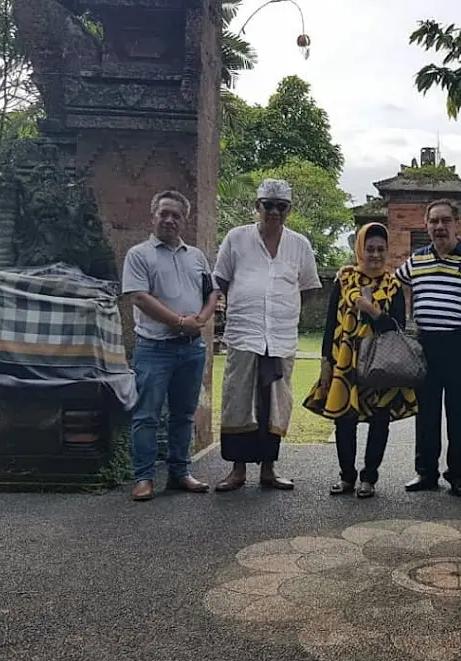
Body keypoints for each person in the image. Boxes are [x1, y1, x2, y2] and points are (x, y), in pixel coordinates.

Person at [212, 179, 322, 492]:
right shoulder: (237, 238)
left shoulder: (299, 244)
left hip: (281, 337)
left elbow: (311, 287)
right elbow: (219, 279)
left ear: (289, 210)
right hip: (244, 333)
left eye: (280, 206)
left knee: (274, 402)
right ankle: (237, 470)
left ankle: (269, 470)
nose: (273, 211)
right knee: (239, 400)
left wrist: (285, 307)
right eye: (267, 205)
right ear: (257, 206)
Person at [303, 223, 418, 498]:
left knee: (380, 419)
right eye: (370, 249)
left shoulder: (393, 285)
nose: (375, 255)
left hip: (381, 362)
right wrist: (325, 362)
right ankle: (346, 477)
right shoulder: (344, 280)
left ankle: (369, 478)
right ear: (360, 249)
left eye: (381, 249)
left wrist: (372, 312)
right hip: (345, 359)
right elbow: (331, 323)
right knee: (344, 418)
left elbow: (397, 328)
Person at [122, 190, 219, 501]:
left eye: (176, 215)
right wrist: (179, 321)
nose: (169, 219)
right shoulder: (140, 255)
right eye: (164, 213)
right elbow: (139, 297)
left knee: (184, 414)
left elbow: (212, 293)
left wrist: (200, 320)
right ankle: (144, 477)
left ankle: (180, 472)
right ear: (154, 215)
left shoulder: (197, 257)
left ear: (184, 220)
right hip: (154, 348)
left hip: (191, 348)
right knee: (146, 415)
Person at [396, 199, 461, 497]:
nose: (439, 227)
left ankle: (459, 475)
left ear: (458, 224)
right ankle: (425, 472)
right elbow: (392, 285)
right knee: (427, 411)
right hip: (426, 344)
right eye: (433, 221)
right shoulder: (417, 260)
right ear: (426, 225)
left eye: (445, 221)